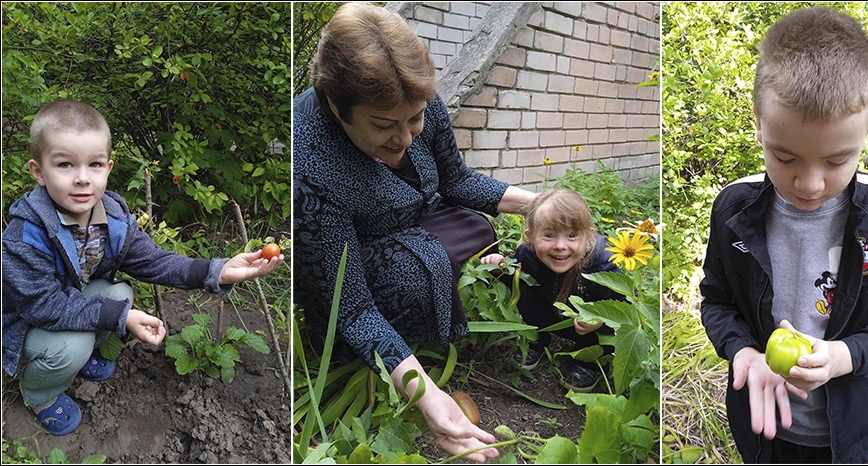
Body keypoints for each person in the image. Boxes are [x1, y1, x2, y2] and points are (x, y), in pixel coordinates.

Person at [291, 3, 536, 463]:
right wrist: (427, 395)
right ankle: (389, 345)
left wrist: (539, 205)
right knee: (412, 275)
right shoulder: (309, 166)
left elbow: (456, 182)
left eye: (415, 120)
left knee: (479, 227)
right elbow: (350, 304)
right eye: (384, 126)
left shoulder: (414, 95)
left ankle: (429, 288)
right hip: (348, 253)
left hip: (414, 216)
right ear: (334, 106)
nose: (405, 138)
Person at [698, 6, 868, 464]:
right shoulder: (733, 209)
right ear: (758, 123)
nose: (808, 183)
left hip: (857, 437)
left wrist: (844, 356)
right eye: (784, 158)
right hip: (765, 432)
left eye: (836, 161)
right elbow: (717, 302)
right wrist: (743, 351)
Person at [1, 99, 285, 436]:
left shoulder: (113, 216)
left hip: (70, 302)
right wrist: (122, 319)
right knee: (72, 345)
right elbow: (43, 306)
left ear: (108, 167)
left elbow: (151, 261)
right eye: (64, 165)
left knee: (120, 292)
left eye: (93, 164)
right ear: (39, 172)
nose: (82, 179)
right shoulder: (27, 233)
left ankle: (79, 355)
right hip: (25, 321)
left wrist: (217, 270)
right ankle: (40, 393)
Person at [480, 189, 624, 393]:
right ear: (530, 236)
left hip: (586, 328)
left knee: (604, 321)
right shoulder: (527, 255)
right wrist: (500, 267)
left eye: (572, 235)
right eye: (548, 235)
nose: (560, 246)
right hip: (546, 315)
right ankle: (535, 341)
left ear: (588, 235)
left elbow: (624, 304)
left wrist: (601, 318)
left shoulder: (602, 264)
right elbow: (510, 274)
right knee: (523, 282)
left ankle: (590, 362)